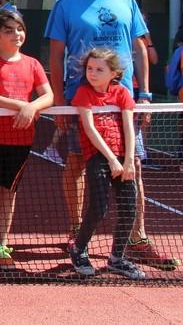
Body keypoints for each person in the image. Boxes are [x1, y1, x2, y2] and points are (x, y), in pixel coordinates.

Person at [44, 0, 177, 270]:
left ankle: (137, 238)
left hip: (123, 103)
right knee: (76, 164)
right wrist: (60, 102)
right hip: (81, 102)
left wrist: (144, 93)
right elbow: (56, 56)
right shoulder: (65, 5)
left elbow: (140, 48)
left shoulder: (127, 1)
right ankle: (78, 236)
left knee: (134, 167)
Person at [0, 9, 53, 269]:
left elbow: (48, 96)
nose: (16, 34)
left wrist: (31, 107)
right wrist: (21, 105)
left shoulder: (33, 64)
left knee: (9, 193)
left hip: (21, 141)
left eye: (19, 29)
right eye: (8, 30)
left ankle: (1, 244)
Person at [68, 48, 146, 280]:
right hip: (99, 158)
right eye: (90, 68)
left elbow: (129, 127)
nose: (93, 73)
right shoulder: (83, 93)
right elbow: (90, 129)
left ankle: (117, 258)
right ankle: (79, 249)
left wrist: (129, 160)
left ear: (113, 73)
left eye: (99, 69)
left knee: (129, 209)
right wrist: (111, 160)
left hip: (123, 158)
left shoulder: (121, 93)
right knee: (99, 208)